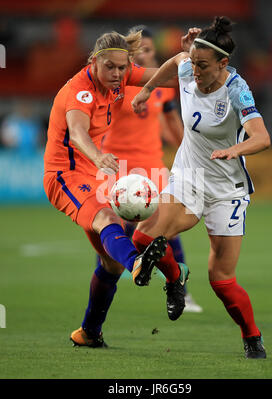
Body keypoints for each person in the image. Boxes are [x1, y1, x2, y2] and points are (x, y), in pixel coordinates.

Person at [131, 17, 271, 359]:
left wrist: (233, 150)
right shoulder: (188, 68)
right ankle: (176, 278)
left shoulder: (237, 90)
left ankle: (252, 336)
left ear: (223, 64)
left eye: (203, 65)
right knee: (143, 237)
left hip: (226, 189)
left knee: (221, 280)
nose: (194, 70)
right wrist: (148, 89)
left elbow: (262, 138)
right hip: (189, 178)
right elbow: (174, 62)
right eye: (193, 61)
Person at [43, 30, 189, 348]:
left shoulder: (121, 78)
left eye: (123, 68)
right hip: (65, 176)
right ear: (94, 62)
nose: (118, 74)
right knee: (110, 220)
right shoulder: (79, 91)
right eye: (110, 67)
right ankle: (138, 263)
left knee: (109, 262)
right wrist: (98, 156)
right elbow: (79, 133)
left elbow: (168, 75)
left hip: (93, 177)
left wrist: (188, 55)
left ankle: (89, 332)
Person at [98, 25, 202, 313]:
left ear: (154, 51)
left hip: (152, 167)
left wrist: (192, 153)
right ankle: (107, 291)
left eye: (149, 49)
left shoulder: (163, 85)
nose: (144, 54)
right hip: (116, 168)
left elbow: (171, 125)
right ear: (130, 54)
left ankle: (180, 288)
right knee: (113, 229)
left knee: (165, 228)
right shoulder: (116, 83)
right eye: (139, 50)